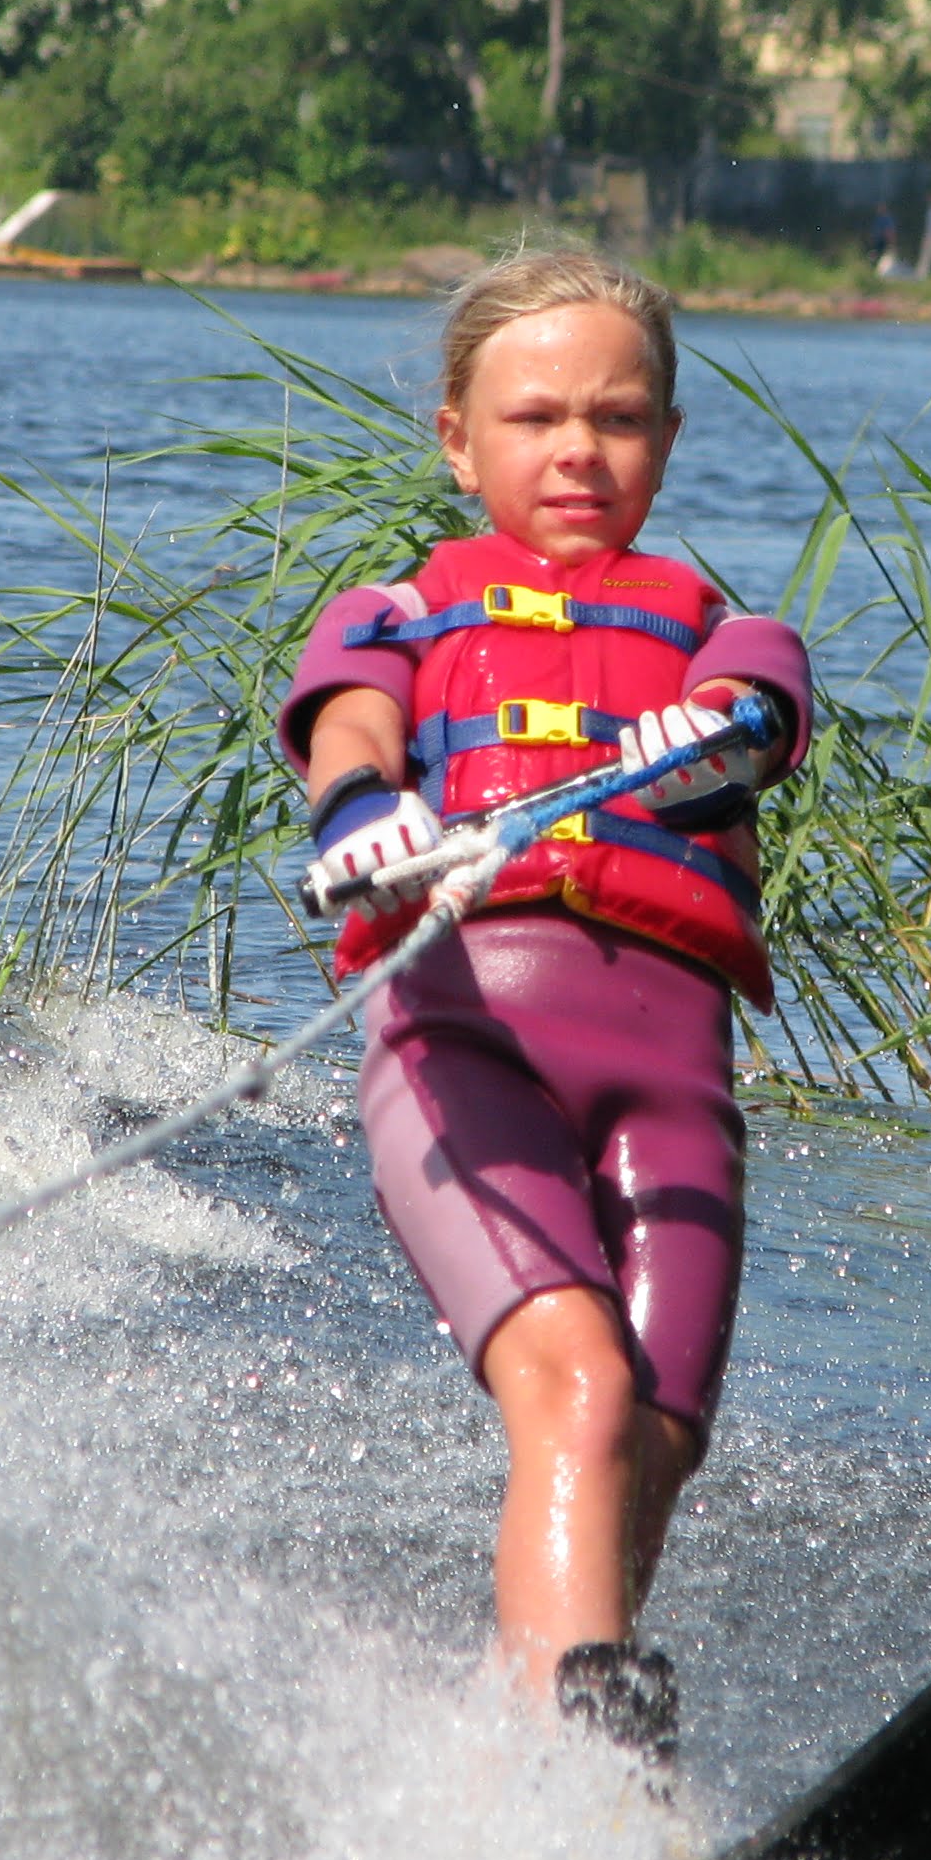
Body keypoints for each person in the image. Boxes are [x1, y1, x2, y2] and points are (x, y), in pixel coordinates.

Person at [280, 249, 813, 1764]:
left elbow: (760, 720)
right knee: (575, 1385)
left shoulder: (722, 634)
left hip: (671, 1078)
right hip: (467, 1048)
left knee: (647, 1443)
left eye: (619, 417)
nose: (579, 447)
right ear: (458, 439)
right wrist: (358, 812)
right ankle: (601, 1773)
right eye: (535, 417)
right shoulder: (401, 608)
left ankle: (508, 1761)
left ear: (667, 439)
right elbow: (350, 716)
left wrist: (718, 737)